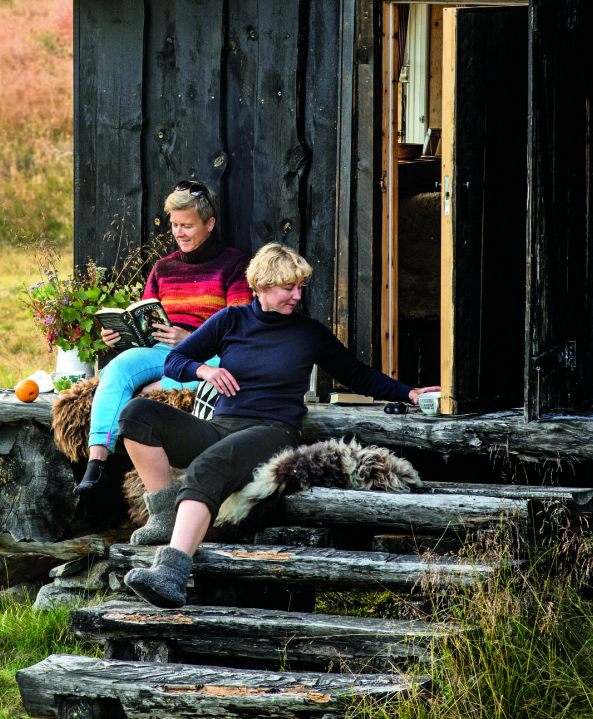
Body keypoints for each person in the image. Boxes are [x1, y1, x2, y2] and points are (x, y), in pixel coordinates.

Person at [118, 243, 440, 608]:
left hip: (273, 429)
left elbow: (359, 376)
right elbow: (176, 360)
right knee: (137, 415)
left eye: (300, 287)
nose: (297, 296)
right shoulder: (230, 320)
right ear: (262, 285)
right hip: (222, 425)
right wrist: (204, 369)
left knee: (209, 466)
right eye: (289, 287)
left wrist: (409, 393)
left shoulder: (308, 333)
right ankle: (164, 517)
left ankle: (171, 574)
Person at [74, 180, 253, 495]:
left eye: (187, 226)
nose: (179, 233)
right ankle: (97, 462)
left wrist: (191, 336)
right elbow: (144, 315)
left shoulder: (235, 266)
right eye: (174, 225)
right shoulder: (162, 268)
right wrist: (121, 334)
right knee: (115, 369)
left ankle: (163, 387)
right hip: (158, 350)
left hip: (208, 354)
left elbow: (241, 330)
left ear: (209, 224)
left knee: (220, 375)